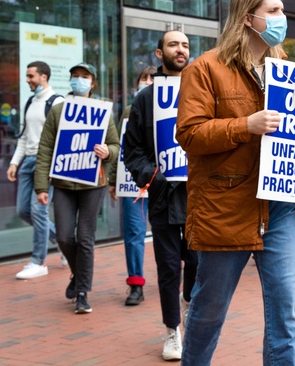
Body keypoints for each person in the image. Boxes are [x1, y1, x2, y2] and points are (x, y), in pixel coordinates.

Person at [175, 0, 295, 365]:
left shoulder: (289, 73)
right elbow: (190, 134)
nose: (282, 18)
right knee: (209, 309)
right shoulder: (205, 68)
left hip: (279, 206)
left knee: (284, 311)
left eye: (282, 10)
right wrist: (245, 125)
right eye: (273, 11)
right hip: (226, 206)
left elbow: (293, 132)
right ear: (248, 18)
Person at [124, 31, 199, 361]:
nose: (180, 49)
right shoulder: (145, 99)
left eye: (185, 45)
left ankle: (188, 302)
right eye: (173, 44)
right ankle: (172, 330)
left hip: (198, 194)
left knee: (196, 262)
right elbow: (132, 150)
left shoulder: (202, 92)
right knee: (168, 267)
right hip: (162, 195)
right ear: (159, 53)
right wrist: (153, 177)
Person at [34, 62, 119, 314]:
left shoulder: (102, 111)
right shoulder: (58, 111)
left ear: (93, 83)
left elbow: (115, 146)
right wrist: (41, 186)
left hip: (93, 184)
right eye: (75, 76)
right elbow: (45, 149)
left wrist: (107, 152)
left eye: (84, 76)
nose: (79, 80)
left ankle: (82, 292)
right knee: (63, 236)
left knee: (85, 238)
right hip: (63, 184)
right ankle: (78, 273)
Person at [7, 61, 63, 280]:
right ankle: (65, 243)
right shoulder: (29, 102)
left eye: (31, 76)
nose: (27, 80)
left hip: (45, 162)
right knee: (23, 211)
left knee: (39, 211)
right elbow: (24, 136)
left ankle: (39, 262)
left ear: (44, 77)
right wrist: (14, 162)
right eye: (27, 76)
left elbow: (62, 138)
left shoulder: (57, 102)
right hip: (28, 162)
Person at [108, 65, 156, 307]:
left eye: (152, 78)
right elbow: (122, 146)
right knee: (134, 232)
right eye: (143, 78)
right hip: (133, 181)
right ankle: (136, 283)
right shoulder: (129, 110)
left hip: (164, 181)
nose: (147, 82)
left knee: (172, 231)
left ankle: (177, 273)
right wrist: (113, 180)